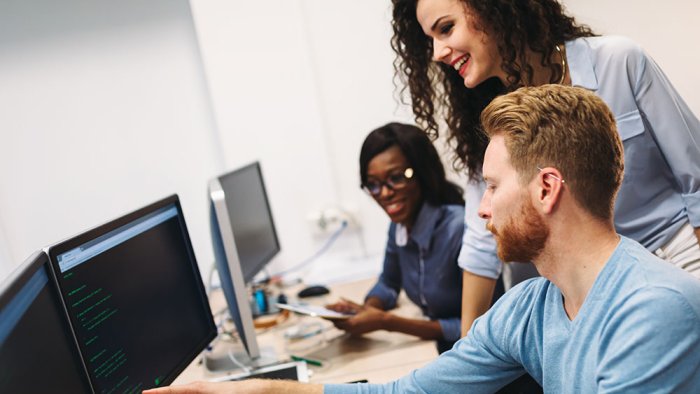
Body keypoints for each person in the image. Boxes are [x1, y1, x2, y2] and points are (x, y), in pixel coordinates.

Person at [144, 85, 700, 394]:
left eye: (494, 186)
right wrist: (254, 393)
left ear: (547, 189)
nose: (480, 207)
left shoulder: (654, 310)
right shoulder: (531, 307)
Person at [391, 0, 700, 338]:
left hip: (674, 259)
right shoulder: (488, 119)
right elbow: (481, 245)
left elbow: (695, 181)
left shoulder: (618, 61)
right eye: (429, 39)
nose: (437, 52)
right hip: (593, 293)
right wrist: (467, 353)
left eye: (446, 28)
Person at [326, 122, 490, 354]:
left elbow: (478, 327)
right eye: (372, 184)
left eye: (396, 177)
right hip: (440, 351)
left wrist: (386, 322)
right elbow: (388, 283)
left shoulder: (460, 231)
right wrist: (367, 309)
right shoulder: (400, 226)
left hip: (475, 354)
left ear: (423, 173)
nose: (384, 193)